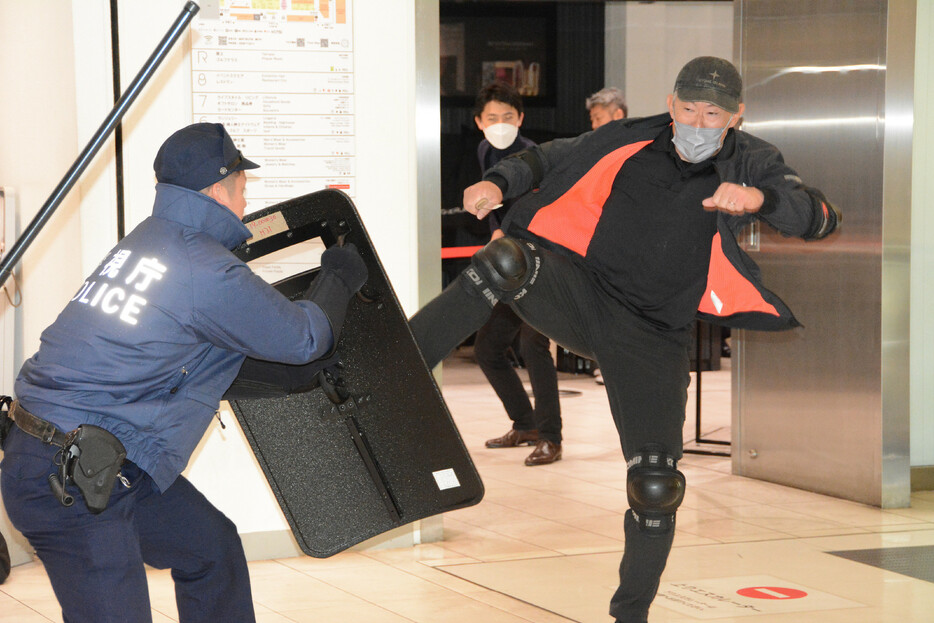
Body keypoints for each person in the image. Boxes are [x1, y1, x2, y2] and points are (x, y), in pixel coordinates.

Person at [410, 56, 839, 622]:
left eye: (713, 113)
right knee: (507, 259)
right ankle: (399, 366)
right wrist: (496, 181)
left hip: (654, 338)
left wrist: (761, 200)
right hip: (581, 298)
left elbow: (820, 216)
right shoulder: (628, 138)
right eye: (688, 108)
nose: (698, 122)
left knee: (656, 485)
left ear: (737, 115)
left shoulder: (754, 160)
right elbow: (545, 157)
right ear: (671, 104)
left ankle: (629, 614)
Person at [0, 122, 368, 622]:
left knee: (210, 550)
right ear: (218, 190)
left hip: (97, 458)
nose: (244, 198)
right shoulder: (204, 266)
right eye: (242, 186)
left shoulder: (147, 242)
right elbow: (304, 338)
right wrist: (340, 274)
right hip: (69, 476)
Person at [471, 82, 563, 466]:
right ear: (479, 122)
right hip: (508, 261)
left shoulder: (532, 155)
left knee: (533, 346)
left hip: (543, 260)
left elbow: (545, 209)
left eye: (508, 117)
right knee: (488, 348)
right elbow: (493, 202)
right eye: (492, 117)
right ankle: (525, 424)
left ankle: (551, 438)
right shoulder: (484, 149)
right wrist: (495, 230)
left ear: (521, 119)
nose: (500, 124)